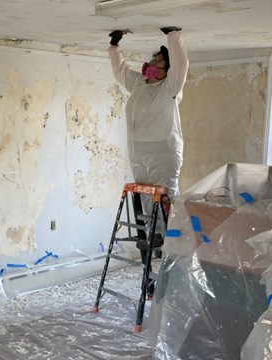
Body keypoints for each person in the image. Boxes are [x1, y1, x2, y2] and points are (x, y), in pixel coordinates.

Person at [107, 27, 189, 293]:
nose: (153, 66)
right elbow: (120, 72)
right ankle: (153, 238)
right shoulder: (139, 85)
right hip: (139, 152)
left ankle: (172, 251)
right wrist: (114, 46)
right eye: (152, 61)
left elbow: (181, 65)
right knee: (145, 198)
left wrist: (173, 37)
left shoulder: (170, 88)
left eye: (159, 63)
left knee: (165, 199)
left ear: (167, 70)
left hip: (164, 152)